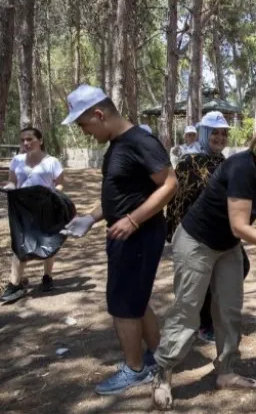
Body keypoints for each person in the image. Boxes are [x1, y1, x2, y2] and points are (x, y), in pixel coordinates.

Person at [151, 120, 256, 410]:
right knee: (188, 308)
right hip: (197, 241)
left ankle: (226, 371)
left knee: (229, 309)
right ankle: (163, 372)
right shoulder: (243, 167)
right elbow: (241, 227)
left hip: (226, 246)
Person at [60, 84, 178, 395]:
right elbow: (123, 195)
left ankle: (135, 369)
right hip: (126, 232)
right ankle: (155, 356)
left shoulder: (140, 141)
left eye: (84, 124)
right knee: (135, 299)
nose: (84, 132)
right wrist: (91, 218)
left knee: (124, 304)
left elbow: (169, 184)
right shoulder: (118, 145)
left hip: (139, 235)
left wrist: (133, 219)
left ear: (99, 114)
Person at [164, 111, 246, 344]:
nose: (220, 137)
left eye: (223, 133)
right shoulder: (189, 162)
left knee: (233, 272)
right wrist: (176, 233)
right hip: (195, 233)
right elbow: (177, 200)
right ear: (204, 134)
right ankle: (201, 324)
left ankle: (210, 319)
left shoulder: (224, 162)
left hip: (221, 231)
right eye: (215, 133)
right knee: (197, 282)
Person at [1, 127, 65, 302]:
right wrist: (7, 188)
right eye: (22, 140)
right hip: (22, 209)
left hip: (46, 207)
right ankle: (14, 284)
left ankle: (47, 278)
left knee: (48, 242)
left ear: (40, 140)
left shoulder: (52, 162)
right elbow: (13, 183)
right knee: (19, 244)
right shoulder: (16, 161)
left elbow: (59, 185)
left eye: (30, 139)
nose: (25, 143)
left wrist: (53, 196)